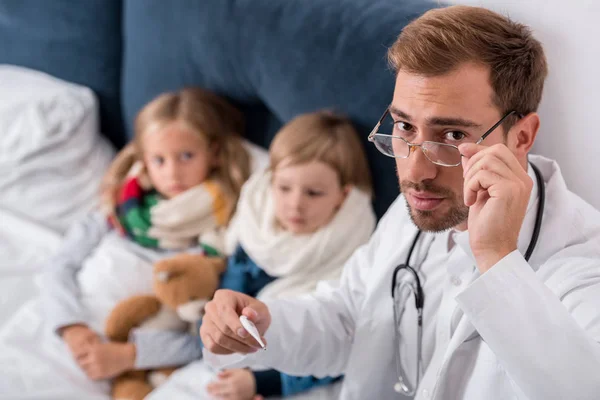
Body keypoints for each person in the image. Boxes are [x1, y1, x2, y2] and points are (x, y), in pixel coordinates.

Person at [199, 6, 600, 400]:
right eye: (405, 126)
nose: (416, 169)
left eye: (454, 135)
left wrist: (497, 261)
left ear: (522, 137)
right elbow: (352, 319)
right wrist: (263, 323)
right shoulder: (425, 203)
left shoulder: (582, 263)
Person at [0, 87, 251, 399]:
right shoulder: (117, 211)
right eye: (159, 160)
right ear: (143, 160)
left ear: (213, 153)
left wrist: (129, 355)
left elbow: (207, 337)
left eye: (186, 156)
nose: (172, 172)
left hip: (136, 361)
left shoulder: (222, 236)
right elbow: (59, 267)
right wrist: (71, 328)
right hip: (62, 331)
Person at [147, 111, 376, 400]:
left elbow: (340, 341)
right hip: (220, 355)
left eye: (314, 193)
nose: (295, 204)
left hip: (282, 378)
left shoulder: (352, 252)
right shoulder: (255, 227)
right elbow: (226, 291)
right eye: (284, 188)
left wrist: (260, 383)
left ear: (343, 196)